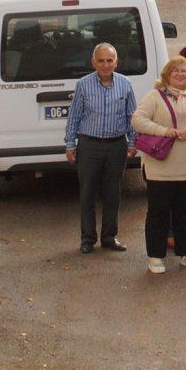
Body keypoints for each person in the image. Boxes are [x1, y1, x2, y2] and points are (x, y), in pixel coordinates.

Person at [131, 56, 186, 274]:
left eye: (184, 71)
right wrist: (165, 131)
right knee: (158, 212)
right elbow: (138, 120)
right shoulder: (155, 96)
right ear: (167, 75)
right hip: (160, 168)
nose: (180, 74)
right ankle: (155, 256)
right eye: (175, 71)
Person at [65, 43, 139, 255]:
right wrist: (71, 144)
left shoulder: (125, 84)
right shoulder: (83, 85)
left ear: (116, 62)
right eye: (101, 61)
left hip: (116, 145)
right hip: (89, 146)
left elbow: (131, 116)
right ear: (93, 62)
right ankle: (87, 238)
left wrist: (133, 142)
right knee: (87, 194)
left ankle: (109, 237)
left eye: (109, 60)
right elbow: (75, 117)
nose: (105, 65)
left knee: (112, 194)